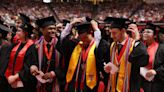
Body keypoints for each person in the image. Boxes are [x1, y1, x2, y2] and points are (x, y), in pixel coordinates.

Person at [60, 18, 109, 92]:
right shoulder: (76, 46)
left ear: (91, 33)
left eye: (86, 38)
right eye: (81, 39)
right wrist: (70, 25)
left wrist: (96, 29)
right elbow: (62, 42)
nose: (83, 41)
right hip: (73, 84)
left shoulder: (98, 47)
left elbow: (100, 50)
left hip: (90, 86)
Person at [103, 17, 149, 92]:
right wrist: (108, 67)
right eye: (110, 33)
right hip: (114, 86)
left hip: (130, 87)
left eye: (114, 33)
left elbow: (143, 61)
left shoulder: (134, 44)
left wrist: (137, 40)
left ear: (123, 31)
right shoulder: (112, 46)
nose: (111, 36)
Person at [0, 21, 37, 92]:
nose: (16, 33)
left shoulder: (32, 47)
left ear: (25, 33)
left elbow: (28, 67)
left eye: (19, 31)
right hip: (11, 80)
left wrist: (15, 77)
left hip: (23, 84)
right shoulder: (16, 45)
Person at [30, 16, 61, 92]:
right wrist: (33, 68)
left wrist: (52, 74)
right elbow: (33, 62)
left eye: (54, 28)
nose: (53, 31)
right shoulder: (36, 46)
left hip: (56, 82)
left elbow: (65, 65)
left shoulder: (60, 45)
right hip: (40, 81)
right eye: (50, 28)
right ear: (42, 30)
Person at [140, 23, 164, 92]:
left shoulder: (161, 48)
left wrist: (155, 71)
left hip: (157, 84)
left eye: (148, 32)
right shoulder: (141, 48)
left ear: (155, 35)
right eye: (144, 32)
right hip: (143, 83)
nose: (145, 33)